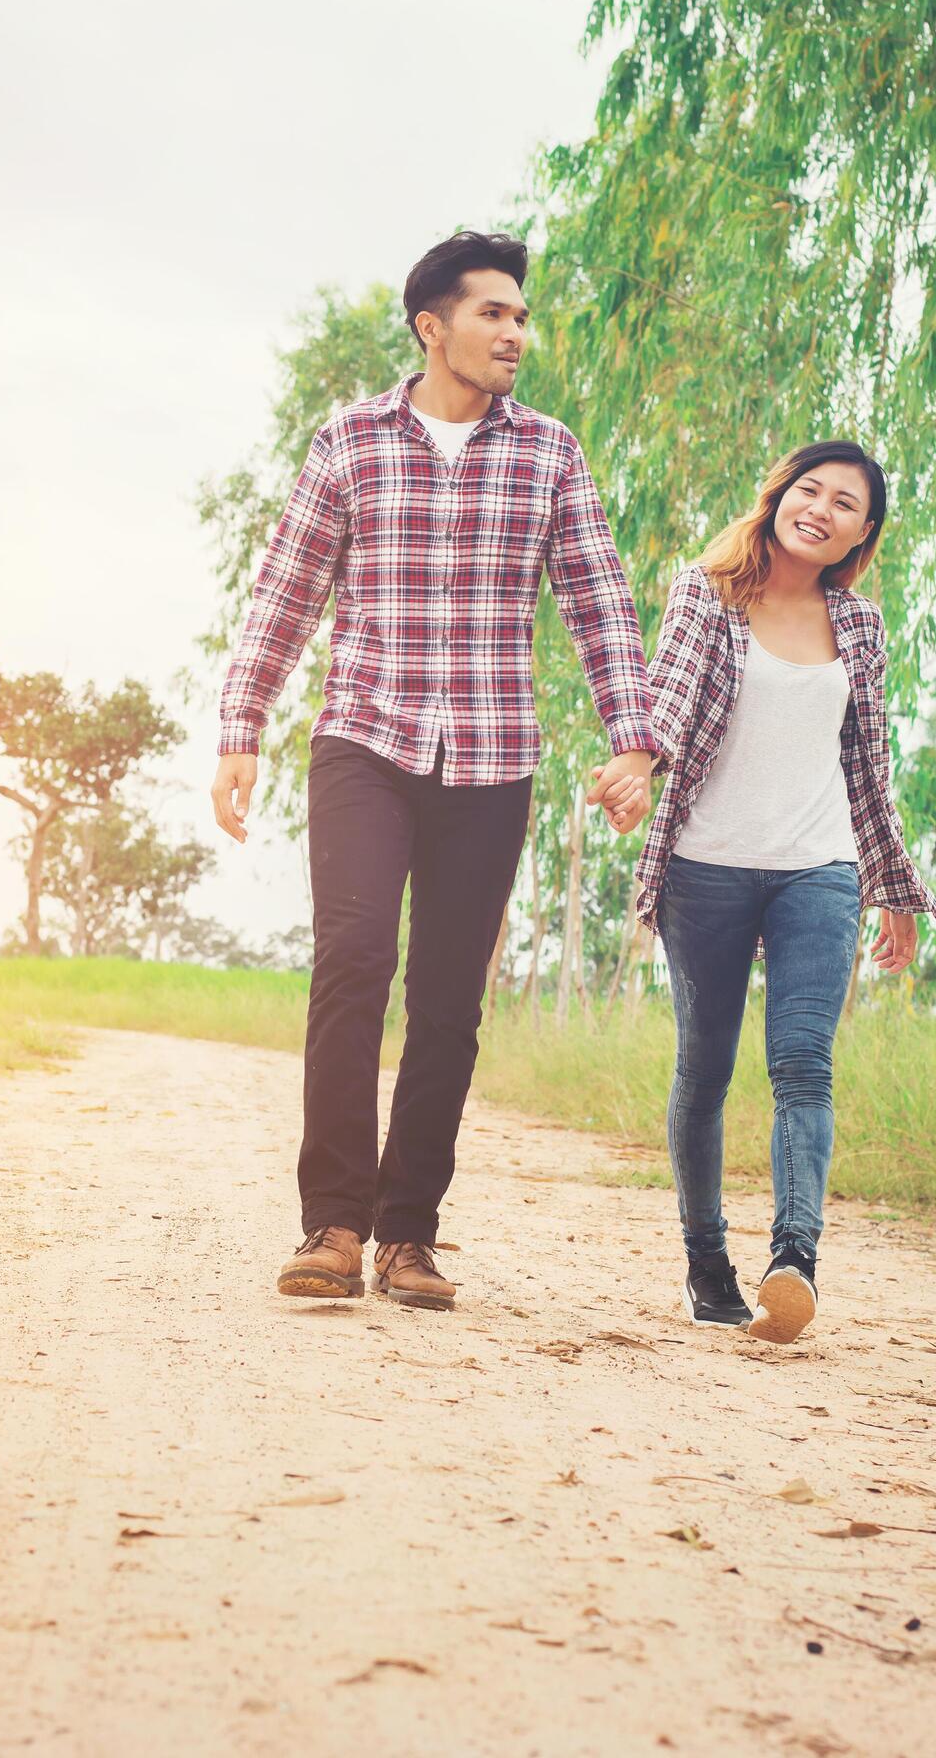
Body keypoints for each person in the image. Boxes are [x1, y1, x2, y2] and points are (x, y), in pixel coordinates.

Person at [213, 230, 658, 1311]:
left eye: (521, 315)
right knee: (354, 957)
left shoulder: (549, 452)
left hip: (493, 752)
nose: (516, 332)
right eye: (494, 313)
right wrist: (243, 722)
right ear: (432, 326)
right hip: (364, 739)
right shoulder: (352, 440)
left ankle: (409, 1234)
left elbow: (599, 602)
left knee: (450, 999)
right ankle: (334, 1223)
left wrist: (633, 737)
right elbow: (286, 587)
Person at [590, 441, 936, 1343]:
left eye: (844, 503)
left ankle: (795, 1259)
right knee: (705, 1067)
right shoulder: (706, 595)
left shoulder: (859, 628)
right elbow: (665, 702)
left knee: (802, 1061)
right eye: (808, 490)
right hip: (705, 865)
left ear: (863, 532)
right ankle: (706, 1261)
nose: (819, 509)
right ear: (779, 497)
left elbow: (869, 767)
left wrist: (894, 887)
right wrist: (635, 765)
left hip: (819, 868)